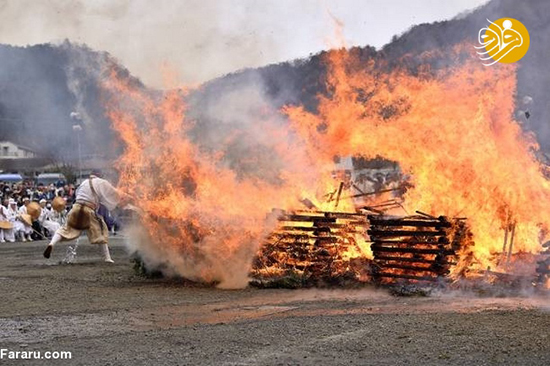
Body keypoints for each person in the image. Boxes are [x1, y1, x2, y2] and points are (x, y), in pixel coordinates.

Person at [43, 170, 130, 263]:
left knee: (65, 229)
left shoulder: (84, 182)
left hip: (76, 207)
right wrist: (128, 196)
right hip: (88, 209)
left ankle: (52, 243)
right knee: (101, 231)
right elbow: (114, 192)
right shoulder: (101, 182)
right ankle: (107, 258)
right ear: (99, 175)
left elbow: (77, 194)